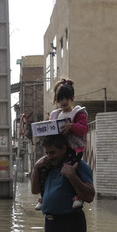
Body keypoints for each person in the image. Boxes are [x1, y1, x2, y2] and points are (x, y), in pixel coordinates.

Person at [31, 134, 95, 232]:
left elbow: (89, 195)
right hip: (50, 223)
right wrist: (37, 168)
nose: (49, 157)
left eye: (52, 152)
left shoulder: (78, 166)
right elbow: (35, 190)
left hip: (71, 223)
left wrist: (72, 176)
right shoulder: (47, 167)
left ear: (64, 149)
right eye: (46, 153)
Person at [36, 78, 89, 210]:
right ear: (57, 100)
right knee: (43, 169)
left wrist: (71, 126)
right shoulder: (55, 115)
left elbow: (84, 129)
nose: (63, 102)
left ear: (73, 98)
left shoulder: (78, 113)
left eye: (66, 98)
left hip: (73, 150)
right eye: (60, 99)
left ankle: (77, 196)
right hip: (58, 149)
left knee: (72, 170)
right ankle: (42, 197)